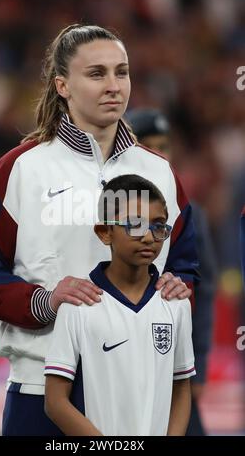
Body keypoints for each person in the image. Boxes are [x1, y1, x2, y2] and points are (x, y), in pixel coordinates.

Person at [0, 24, 198, 436]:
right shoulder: (21, 169)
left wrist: (181, 285)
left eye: (121, 72)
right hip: (41, 391)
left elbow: (186, 266)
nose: (113, 86)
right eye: (96, 73)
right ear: (63, 85)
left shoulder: (158, 171)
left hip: (141, 388)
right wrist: (45, 301)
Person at [44, 174, 195, 436]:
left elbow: (181, 388)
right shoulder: (79, 304)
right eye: (134, 224)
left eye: (159, 226)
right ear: (105, 232)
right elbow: (55, 403)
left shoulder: (176, 302)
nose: (148, 237)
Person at [126, 107, 216, 436]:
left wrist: (198, 370)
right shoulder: (105, 209)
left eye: (163, 146)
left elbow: (203, 294)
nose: (159, 155)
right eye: (149, 146)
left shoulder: (187, 213)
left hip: (174, 365)